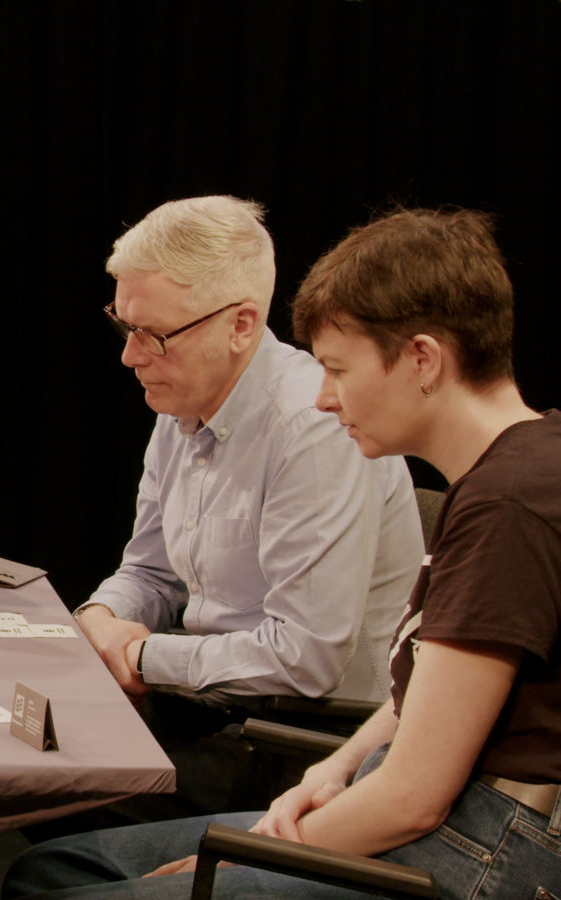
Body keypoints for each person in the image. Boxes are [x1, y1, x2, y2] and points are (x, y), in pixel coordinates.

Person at [2, 207, 560, 897]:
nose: (325, 396)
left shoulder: (510, 502)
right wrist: (338, 771)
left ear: (422, 359)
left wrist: (249, 856)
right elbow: (421, 697)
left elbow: (415, 797)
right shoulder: (501, 476)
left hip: (482, 847)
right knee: (53, 870)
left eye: (337, 369)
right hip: (404, 793)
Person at [64, 195, 423, 822]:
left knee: (53, 794)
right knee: (33, 749)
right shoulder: (181, 403)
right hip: (208, 704)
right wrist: (98, 616)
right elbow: (150, 572)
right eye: (124, 326)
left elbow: (305, 657)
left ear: (241, 325)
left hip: (305, 743)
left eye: (153, 335)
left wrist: (140, 654)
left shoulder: (313, 426)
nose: (129, 355)